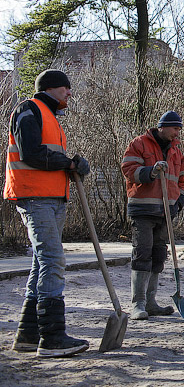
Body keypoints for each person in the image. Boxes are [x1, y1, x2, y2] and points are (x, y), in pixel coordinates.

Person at [5, 69, 90, 357]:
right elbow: (31, 153)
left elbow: (49, 154)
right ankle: (52, 338)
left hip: (52, 197)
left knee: (41, 264)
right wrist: (67, 163)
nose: (69, 93)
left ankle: (28, 335)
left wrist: (73, 165)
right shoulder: (29, 109)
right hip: (34, 197)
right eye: (66, 88)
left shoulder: (51, 117)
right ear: (52, 88)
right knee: (53, 260)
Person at [120, 111, 184, 321]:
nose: (177, 133)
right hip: (143, 210)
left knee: (159, 254)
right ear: (163, 127)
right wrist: (150, 171)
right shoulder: (139, 144)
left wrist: (180, 199)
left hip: (166, 212)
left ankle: (151, 301)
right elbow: (128, 169)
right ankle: (137, 304)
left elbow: (182, 179)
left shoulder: (176, 151)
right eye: (175, 128)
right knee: (142, 253)